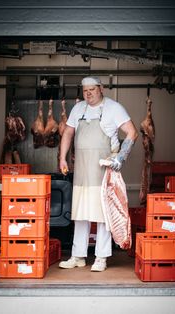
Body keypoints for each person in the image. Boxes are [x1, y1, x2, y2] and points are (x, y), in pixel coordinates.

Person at [58, 76, 138, 272]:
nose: (88, 94)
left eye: (92, 89)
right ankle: (78, 256)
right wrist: (62, 158)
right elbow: (68, 133)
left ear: (101, 89)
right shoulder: (78, 109)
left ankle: (101, 257)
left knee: (103, 215)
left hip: (103, 170)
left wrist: (121, 156)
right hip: (82, 171)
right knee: (80, 213)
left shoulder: (113, 108)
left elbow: (132, 132)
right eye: (85, 90)